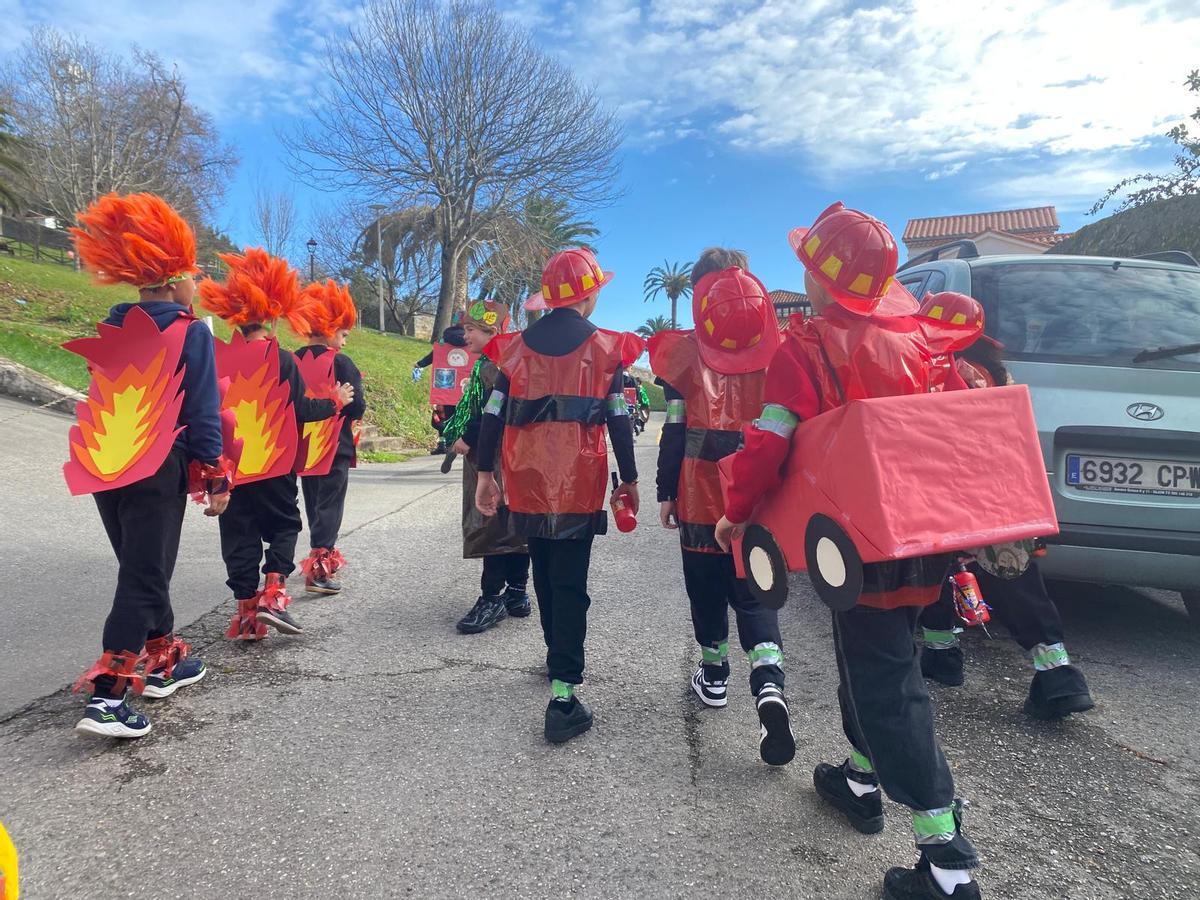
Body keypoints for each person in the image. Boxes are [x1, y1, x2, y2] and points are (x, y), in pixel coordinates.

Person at [715, 203, 983, 900]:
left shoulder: (805, 349)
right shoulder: (923, 343)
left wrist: (734, 514)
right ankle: (861, 779)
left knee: (890, 685)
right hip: (922, 538)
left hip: (857, 547)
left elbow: (768, 444)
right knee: (872, 660)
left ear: (816, 273)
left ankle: (946, 862)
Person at [66, 192, 231, 739]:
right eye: (195, 273)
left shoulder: (114, 325)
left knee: (141, 564)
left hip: (102, 463)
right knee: (144, 571)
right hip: (157, 463)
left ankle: (163, 660)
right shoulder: (190, 332)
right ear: (175, 277)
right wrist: (216, 475)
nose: (199, 283)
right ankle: (108, 696)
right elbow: (205, 412)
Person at [474, 248, 643, 744]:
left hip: (525, 479)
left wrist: (487, 472)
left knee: (543, 572)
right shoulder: (606, 350)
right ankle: (564, 695)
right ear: (590, 295)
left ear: (548, 298)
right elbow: (617, 419)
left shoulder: (513, 350)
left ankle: (555, 658)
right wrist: (628, 478)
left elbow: (492, 414)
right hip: (578, 480)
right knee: (570, 581)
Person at [916, 293, 1095, 721]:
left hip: (940, 488)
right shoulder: (996, 371)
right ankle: (1057, 673)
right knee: (1017, 577)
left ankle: (942, 654)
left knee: (932, 563)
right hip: (1000, 489)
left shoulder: (931, 366)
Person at [649, 249, 794, 766]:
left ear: (697, 295)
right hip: (760, 501)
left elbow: (674, 430)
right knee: (755, 594)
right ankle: (769, 682)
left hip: (699, 499)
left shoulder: (683, 356)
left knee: (706, 590)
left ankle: (714, 677)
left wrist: (666, 491)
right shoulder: (784, 351)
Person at [199, 249, 353, 641]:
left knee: (239, 534)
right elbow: (302, 410)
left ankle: (247, 612)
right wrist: (335, 401)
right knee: (284, 524)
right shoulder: (281, 359)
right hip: (273, 463)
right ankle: (273, 592)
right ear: (272, 313)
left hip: (232, 467)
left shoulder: (217, 357)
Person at [440, 300, 532, 634]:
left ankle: (493, 596)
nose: (465, 335)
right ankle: (518, 593)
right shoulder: (502, 360)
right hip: (509, 456)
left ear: (493, 332)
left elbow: (493, 413)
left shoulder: (497, 364)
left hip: (493, 456)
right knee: (513, 524)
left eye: (471, 329)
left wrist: (467, 436)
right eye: (464, 328)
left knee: (492, 523)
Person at [294, 279, 367, 595]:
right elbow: (357, 405)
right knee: (331, 505)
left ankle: (318, 554)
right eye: (344, 334)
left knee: (314, 504)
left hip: (304, 444)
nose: (345, 342)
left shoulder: (293, 358)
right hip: (334, 443)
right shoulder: (341, 362)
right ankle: (320, 566)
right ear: (329, 327)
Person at [413, 313, 467, 455]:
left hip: (446, 385)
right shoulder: (471, 338)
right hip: (466, 387)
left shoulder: (444, 339)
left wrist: (420, 364)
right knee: (466, 416)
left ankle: (447, 444)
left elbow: (434, 355)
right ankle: (464, 442)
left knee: (444, 417)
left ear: (454, 322)